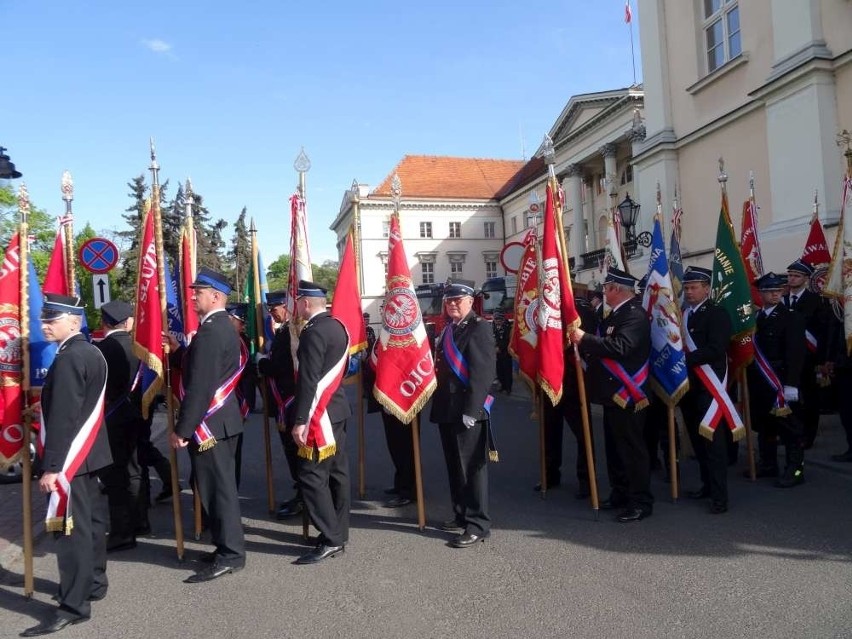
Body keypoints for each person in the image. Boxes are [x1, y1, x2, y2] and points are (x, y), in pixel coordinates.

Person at [22, 294, 111, 637]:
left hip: (70, 459)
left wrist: (51, 467)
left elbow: (63, 417)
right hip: (90, 455)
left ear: (74, 321)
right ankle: (93, 583)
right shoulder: (90, 351)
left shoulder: (71, 357)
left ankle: (74, 605)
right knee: (90, 524)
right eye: (44, 319)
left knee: (68, 531)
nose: (45, 325)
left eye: (52, 319)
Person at [169, 267, 246, 583]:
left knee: (219, 492)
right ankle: (225, 546)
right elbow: (196, 367)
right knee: (216, 490)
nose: (192, 296)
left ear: (215, 296)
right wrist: (177, 355)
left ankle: (231, 554)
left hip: (211, 426)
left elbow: (201, 385)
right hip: (221, 423)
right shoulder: (218, 329)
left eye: (197, 292)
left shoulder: (212, 332)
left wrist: (183, 429)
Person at [570, 268, 653, 523]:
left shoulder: (635, 315)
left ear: (617, 289)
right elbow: (603, 344)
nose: (603, 292)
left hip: (628, 393)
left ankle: (640, 500)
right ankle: (620, 493)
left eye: (606, 288)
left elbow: (620, 347)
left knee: (631, 449)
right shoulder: (614, 315)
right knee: (615, 448)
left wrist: (584, 339)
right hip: (611, 394)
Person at [430, 283, 496, 548]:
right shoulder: (449, 329)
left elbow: (483, 372)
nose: (452, 305)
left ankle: (478, 524)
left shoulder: (479, 327)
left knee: (471, 469)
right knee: (454, 467)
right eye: (448, 301)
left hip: (467, 411)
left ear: (470, 301)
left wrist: (472, 410)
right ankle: (461, 514)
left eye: (457, 300)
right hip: (447, 408)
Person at [291, 280, 351, 565]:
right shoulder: (338, 326)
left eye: (297, 302)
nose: (296, 308)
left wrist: (301, 419)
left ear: (305, 303)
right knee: (337, 474)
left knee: (311, 475)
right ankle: (339, 529)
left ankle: (331, 537)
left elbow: (309, 380)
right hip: (338, 410)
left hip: (321, 414)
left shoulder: (313, 333)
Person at [679, 266, 734, 514]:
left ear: (706, 288)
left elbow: (716, 348)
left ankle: (720, 496)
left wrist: (683, 360)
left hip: (710, 387)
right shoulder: (682, 314)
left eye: (693, 288)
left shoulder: (717, 313)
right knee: (697, 442)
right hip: (689, 387)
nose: (689, 292)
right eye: (687, 287)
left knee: (713, 444)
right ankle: (707, 485)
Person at [94, 300, 147, 552]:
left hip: (111, 419)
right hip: (138, 415)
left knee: (115, 476)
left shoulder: (99, 350)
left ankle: (121, 533)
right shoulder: (140, 347)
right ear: (128, 322)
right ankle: (140, 520)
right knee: (135, 470)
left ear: (104, 323)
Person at [747, 272, 807, 487]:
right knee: (765, 424)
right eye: (770, 291)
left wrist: (791, 383)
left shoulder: (791, 317)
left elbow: (796, 353)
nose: (775, 294)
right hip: (761, 381)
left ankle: (796, 468)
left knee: (789, 426)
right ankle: (768, 463)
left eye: (778, 290)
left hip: (780, 380)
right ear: (760, 294)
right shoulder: (757, 318)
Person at [538, 295, 597, 497]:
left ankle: (587, 480)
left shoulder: (580, 308)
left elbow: (586, 337)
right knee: (549, 431)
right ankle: (550, 475)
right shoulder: (543, 306)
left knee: (583, 434)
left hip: (574, 379)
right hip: (550, 378)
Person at [256, 289, 303, 518]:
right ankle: (301, 492)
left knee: (296, 453)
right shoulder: (283, 330)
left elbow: (281, 367)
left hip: (291, 402)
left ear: (285, 306)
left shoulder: (291, 332)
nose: (271, 313)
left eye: (273, 309)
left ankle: (304, 497)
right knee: (290, 452)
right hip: (284, 402)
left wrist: (263, 363)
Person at [783, 259, 823, 449]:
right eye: (790, 275)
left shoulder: (814, 300)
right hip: (787, 357)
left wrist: (821, 358)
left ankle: (808, 435)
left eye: (796, 276)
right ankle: (791, 433)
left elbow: (821, 329)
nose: (791, 279)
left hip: (808, 356)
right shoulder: (782, 299)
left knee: (809, 397)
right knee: (790, 397)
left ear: (806, 279)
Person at [493, 311, 513, 394]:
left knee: (507, 371)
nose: (497, 321)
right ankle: (502, 386)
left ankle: (508, 388)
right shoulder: (493, 326)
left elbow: (507, 340)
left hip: (506, 353)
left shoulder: (508, 327)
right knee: (499, 371)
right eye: (495, 319)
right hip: (497, 354)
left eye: (498, 319)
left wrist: (500, 348)